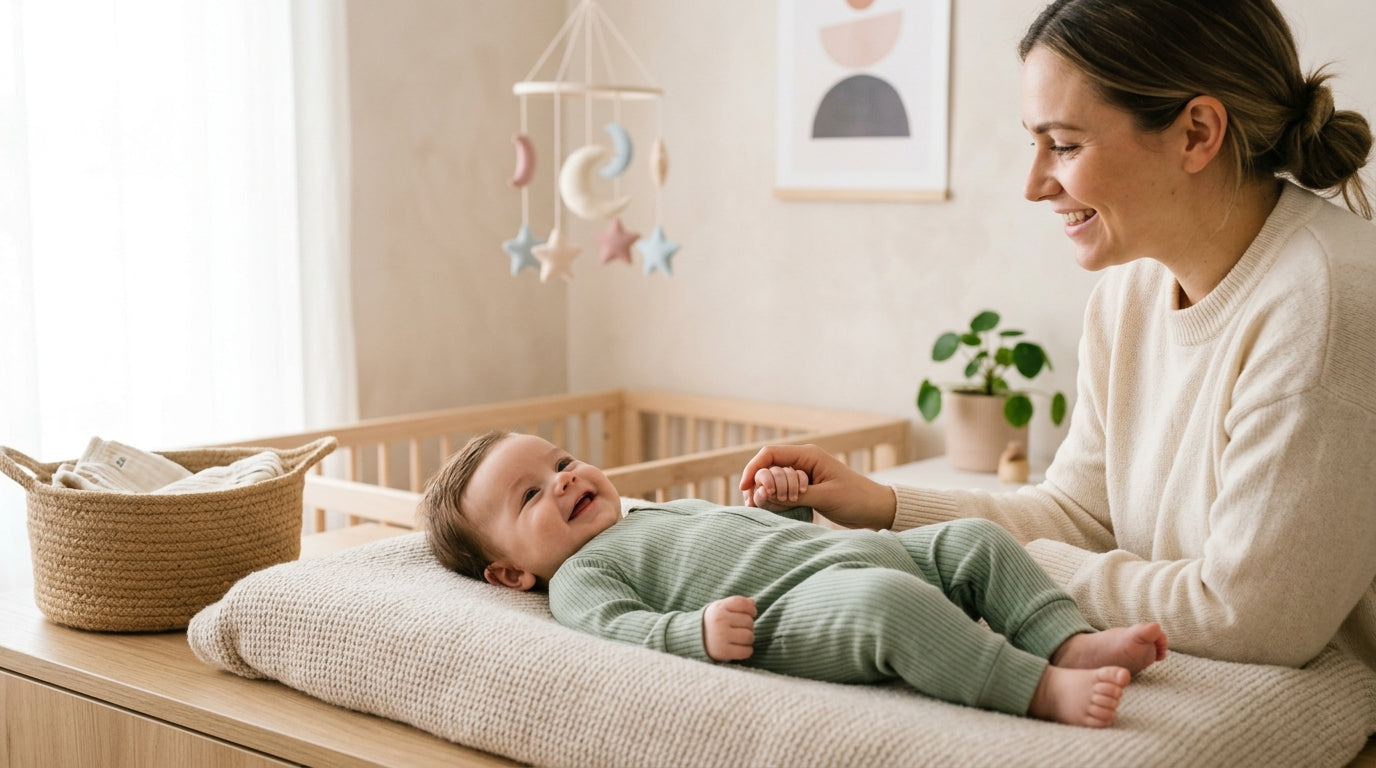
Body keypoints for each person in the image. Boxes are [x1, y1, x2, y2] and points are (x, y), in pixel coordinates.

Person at [740, 0, 1376, 672]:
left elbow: (1249, 618)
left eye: (1065, 145)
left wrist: (996, 565)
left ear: (1196, 133)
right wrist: (887, 507)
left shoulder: (1325, 305)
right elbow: (1082, 516)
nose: (1034, 184)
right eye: (1034, 143)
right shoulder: (1127, 298)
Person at [419, 430, 1168, 728]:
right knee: (888, 605)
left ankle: (1064, 641)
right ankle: (1037, 689)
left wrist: (791, 514)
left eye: (560, 462)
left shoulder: (650, 511)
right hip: (789, 616)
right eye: (529, 496)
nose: (563, 480)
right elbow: (624, 633)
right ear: (512, 571)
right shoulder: (581, 578)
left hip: (842, 556)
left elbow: (749, 541)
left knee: (975, 538)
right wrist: (696, 633)